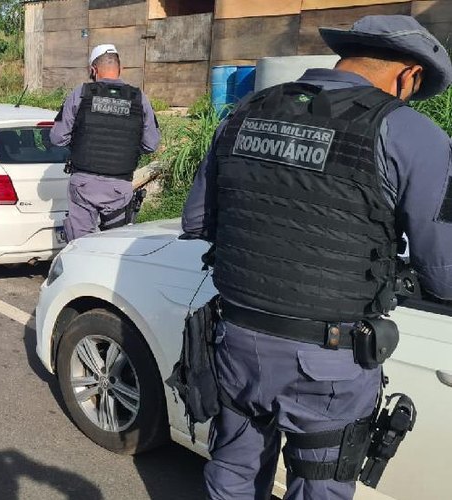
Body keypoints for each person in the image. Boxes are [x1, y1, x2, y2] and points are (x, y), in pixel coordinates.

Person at [181, 15, 452, 499]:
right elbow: (445, 272)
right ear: (409, 75)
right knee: (319, 487)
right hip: (327, 362)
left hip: (236, 342)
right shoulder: (412, 134)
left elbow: (198, 221)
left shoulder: (245, 110)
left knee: (233, 475)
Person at [50, 44, 161, 241]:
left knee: (79, 247)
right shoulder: (139, 98)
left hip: (83, 184)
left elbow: (58, 138)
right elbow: (150, 144)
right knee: (115, 246)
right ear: (121, 69)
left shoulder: (80, 93)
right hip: (119, 187)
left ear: (93, 70)